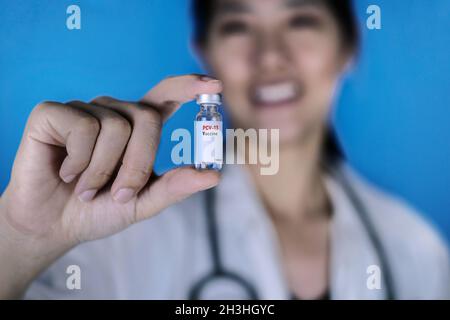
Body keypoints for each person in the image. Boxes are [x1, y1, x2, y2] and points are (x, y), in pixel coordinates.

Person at [0, 0, 448, 300]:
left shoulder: (414, 247)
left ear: (347, 47)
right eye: (237, 26)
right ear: (205, 51)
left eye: (301, 20)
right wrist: (21, 238)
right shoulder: (123, 230)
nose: (270, 55)